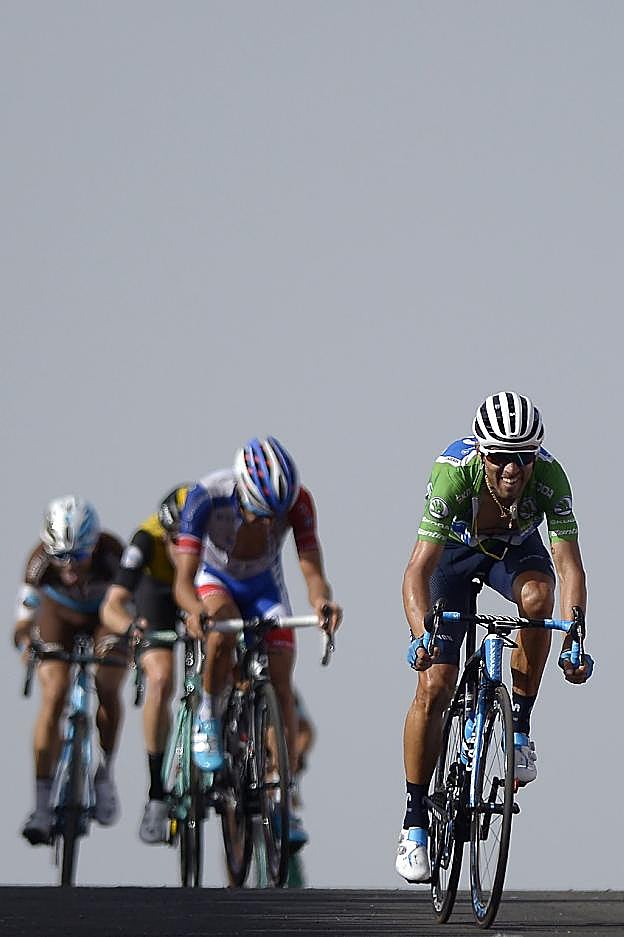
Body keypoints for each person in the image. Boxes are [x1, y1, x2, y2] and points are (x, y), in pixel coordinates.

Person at [396, 392, 593, 883]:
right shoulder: (453, 474)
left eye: (523, 457)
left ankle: (519, 727)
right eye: (501, 456)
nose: (512, 469)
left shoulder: (550, 478)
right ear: (482, 453)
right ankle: (414, 820)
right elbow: (416, 570)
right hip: (451, 557)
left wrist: (575, 638)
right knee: (435, 684)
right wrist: (421, 636)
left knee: (538, 599)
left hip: (514, 552)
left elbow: (569, 567)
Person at [173, 435, 342, 846]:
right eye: (262, 514)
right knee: (223, 630)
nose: (269, 524)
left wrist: (322, 602)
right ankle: (209, 715)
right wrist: (195, 611)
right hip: (215, 580)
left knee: (282, 681)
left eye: (276, 517)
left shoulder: (299, 503)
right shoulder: (206, 495)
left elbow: (312, 570)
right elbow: (182, 582)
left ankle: (282, 795)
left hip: (265, 587)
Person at [14, 495, 127, 845]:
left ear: (93, 546)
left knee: (108, 684)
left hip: (103, 618)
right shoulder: (38, 561)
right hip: (58, 617)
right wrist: (26, 643)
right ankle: (41, 805)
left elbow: (128, 607)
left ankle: (104, 772)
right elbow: (24, 620)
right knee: (53, 695)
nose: (69, 567)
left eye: (77, 556)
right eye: (60, 556)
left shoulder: (113, 553)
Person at [100, 485, 190, 845]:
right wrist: (131, 628)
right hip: (158, 593)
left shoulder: (216, 540)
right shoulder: (146, 540)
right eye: (176, 540)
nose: (182, 549)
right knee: (161, 678)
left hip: (201, 588)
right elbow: (111, 606)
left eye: (191, 542)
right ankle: (156, 793)